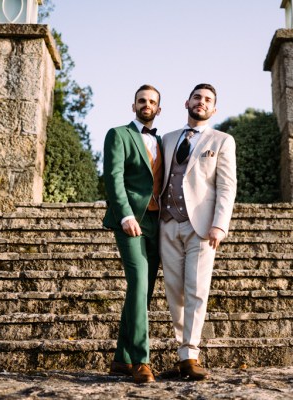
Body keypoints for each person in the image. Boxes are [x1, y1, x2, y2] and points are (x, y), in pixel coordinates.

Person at [159, 83, 237, 380]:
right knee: (174, 292)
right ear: (186, 102)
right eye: (197, 97)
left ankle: (190, 354)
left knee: (196, 289)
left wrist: (220, 223)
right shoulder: (166, 139)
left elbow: (227, 185)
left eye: (207, 100)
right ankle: (183, 354)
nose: (201, 102)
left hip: (202, 227)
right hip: (168, 223)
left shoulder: (222, 141)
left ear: (213, 109)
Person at [102, 84, 163, 384]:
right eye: (142, 100)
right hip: (130, 221)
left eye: (152, 101)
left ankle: (121, 359)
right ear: (133, 105)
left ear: (158, 109)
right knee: (138, 283)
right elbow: (113, 176)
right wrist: (125, 214)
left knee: (144, 291)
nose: (146, 104)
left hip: (157, 222)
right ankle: (141, 360)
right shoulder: (118, 134)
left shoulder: (163, 141)